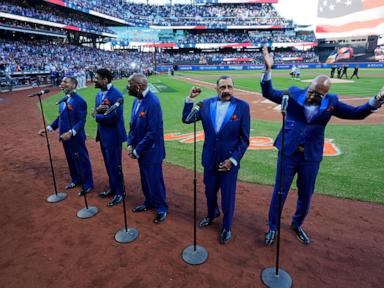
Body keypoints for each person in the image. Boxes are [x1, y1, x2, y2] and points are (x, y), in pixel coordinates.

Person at [261, 46, 384, 246]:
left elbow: (356, 113)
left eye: (320, 93)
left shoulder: (331, 103)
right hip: (288, 153)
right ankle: (273, 227)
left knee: (306, 194)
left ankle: (297, 223)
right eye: (313, 90)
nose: (315, 95)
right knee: (280, 191)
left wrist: (377, 100)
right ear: (309, 85)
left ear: (326, 93)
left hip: (311, 157)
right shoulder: (292, 95)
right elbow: (268, 92)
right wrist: (268, 69)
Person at [182, 76, 250, 244]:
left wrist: (233, 160)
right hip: (210, 160)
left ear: (233, 88)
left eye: (229, 87)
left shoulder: (242, 107)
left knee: (228, 197)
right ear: (216, 88)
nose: (226, 90)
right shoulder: (205, 104)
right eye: (222, 87)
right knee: (209, 192)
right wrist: (190, 99)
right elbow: (187, 119)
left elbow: (244, 139)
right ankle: (212, 214)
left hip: (228, 163)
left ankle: (227, 227)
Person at [38, 77, 93, 195]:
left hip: (75, 137)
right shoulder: (63, 100)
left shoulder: (80, 101)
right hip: (64, 137)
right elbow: (60, 118)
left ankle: (88, 184)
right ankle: (76, 179)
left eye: (65, 82)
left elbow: (81, 121)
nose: (62, 84)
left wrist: (71, 132)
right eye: (62, 82)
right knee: (71, 160)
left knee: (82, 160)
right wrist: (49, 128)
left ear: (73, 85)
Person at [127, 73, 168, 224]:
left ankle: (161, 208)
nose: (127, 88)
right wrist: (130, 143)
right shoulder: (136, 101)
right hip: (140, 150)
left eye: (129, 84)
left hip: (151, 151)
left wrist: (137, 150)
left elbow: (153, 132)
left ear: (138, 87)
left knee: (155, 180)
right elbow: (132, 125)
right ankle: (149, 202)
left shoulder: (153, 102)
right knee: (145, 179)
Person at [93, 68, 127, 207]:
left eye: (97, 78)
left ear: (105, 80)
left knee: (115, 164)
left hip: (113, 136)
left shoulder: (116, 94)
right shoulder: (98, 94)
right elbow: (96, 111)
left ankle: (120, 192)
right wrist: (97, 114)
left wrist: (97, 116)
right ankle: (113, 188)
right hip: (103, 135)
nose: (94, 80)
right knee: (108, 163)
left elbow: (114, 116)